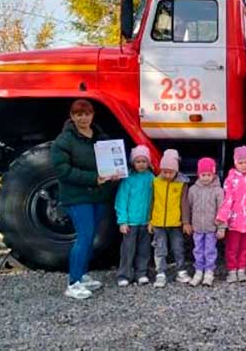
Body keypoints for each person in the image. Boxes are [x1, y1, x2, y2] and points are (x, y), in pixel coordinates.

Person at [51, 98, 119, 300]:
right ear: (72, 116)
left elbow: (111, 161)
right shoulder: (64, 141)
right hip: (77, 196)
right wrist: (93, 178)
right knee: (84, 236)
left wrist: (115, 173)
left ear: (92, 115)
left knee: (91, 237)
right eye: (79, 114)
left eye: (86, 113)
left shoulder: (99, 136)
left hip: (96, 195)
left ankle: (82, 275)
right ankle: (73, 282)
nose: (83, 118)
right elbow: (63, 171)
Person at [216, 146, 246, 283]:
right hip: (234, 220)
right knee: (232, 247)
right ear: (235, 162)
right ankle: (232, 270)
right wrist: (223, 216)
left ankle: (242, 269)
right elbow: (227, 199)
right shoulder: (230, 180)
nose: (243, 165)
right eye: (240, 162)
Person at [148, 149, 190, 288]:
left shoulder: (181, 184)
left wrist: (185, 222)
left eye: (170, 172)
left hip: (175, 222)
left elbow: (184, 203)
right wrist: (150, 220)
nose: (167, 175)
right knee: (160, 248)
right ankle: (160, 273)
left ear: (176, 171)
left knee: (178, 247)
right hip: (159, 222)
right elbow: (152, 201)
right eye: (164, 171)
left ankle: (181, 271)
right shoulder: (156, 182)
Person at [114, 144, 155, 287]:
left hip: (145, 221)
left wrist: (152, 219)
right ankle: (124, 274)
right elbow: (121, 200)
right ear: (133, 163)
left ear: (148, 162)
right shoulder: (128, 179)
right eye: (138, 161)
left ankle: (141, 273)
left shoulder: (152, 178)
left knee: (144, 250)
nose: (141, 164)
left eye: (144, 161)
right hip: (130, 222)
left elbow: (155, 200)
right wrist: (122, 220)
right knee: (127, 250)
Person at [182, 157, 225, 287]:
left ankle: (209, 271)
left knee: (210, 250)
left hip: (211, 228)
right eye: (203, 175)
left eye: (208, 175)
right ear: (198, 174)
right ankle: (198, 271)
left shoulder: (218, 190)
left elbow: (222, 210)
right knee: (198, 249)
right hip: (197, 227)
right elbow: (188, 207)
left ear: (213, 174)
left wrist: (221, 227)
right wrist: (187, 222)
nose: (206, 177)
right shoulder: (193, 190)